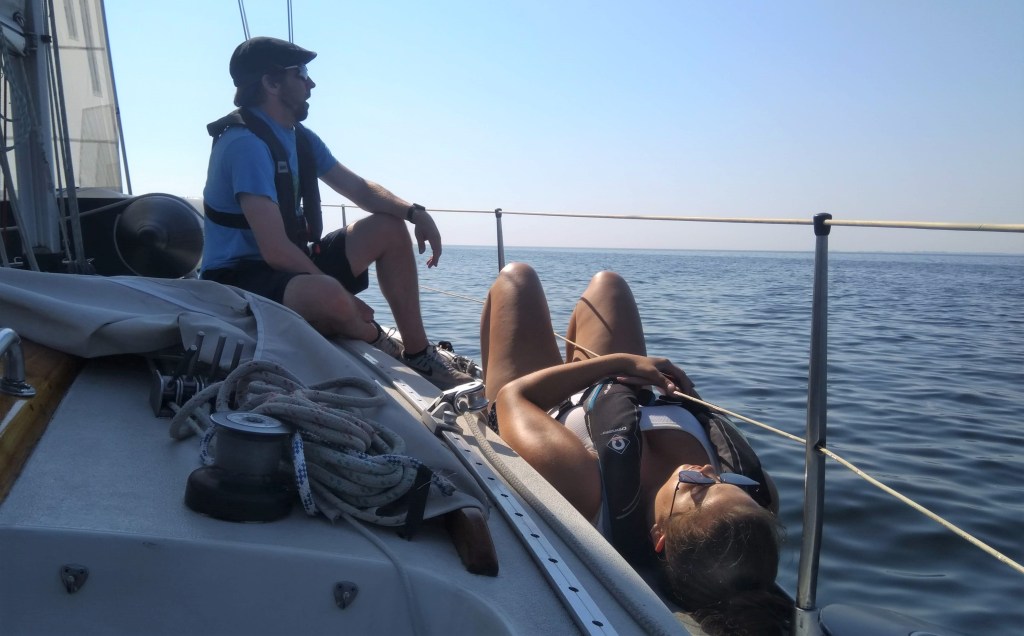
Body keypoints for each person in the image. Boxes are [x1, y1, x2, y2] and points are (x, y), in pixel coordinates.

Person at [480, 262, 791, 635]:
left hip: (541, 408)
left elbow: (512, 397)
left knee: (517, 279)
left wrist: (621, 363)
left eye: (698, 487)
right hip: (617, 395)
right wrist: (690, 404)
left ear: (659, 535)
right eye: (728, 481)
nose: (709, 471)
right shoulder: (754, 494)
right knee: (609, 284)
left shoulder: (587, 488)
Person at [200, 36, 472, 390]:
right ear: (271, 82)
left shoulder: (299, 138)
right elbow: (275, 250)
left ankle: (418, 353)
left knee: (389, 228)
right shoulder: (244, 144)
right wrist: (340, 294)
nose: (311, 83)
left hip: (288, 267)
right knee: (328, 297)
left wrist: (414, 212)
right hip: (237, 279)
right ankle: (377, 339)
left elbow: (359, 189)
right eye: (301, 73)